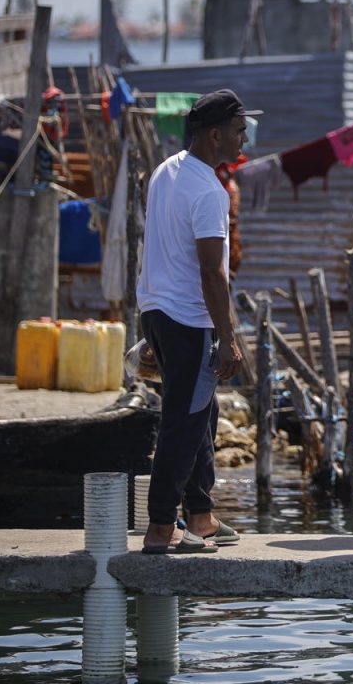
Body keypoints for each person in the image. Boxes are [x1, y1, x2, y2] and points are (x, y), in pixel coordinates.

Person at [137, 89, 258, 555]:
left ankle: (201, 516)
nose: (243, 136)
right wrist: (228, 338)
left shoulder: (166, 171)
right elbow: (212, 272)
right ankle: (161, 527)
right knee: (183, 423)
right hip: (188, 319)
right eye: (237, 129)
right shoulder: (210, 191)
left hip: (158, 312)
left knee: (204, 414)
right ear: (214, 135)